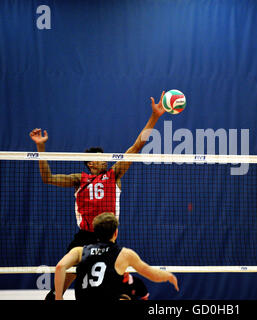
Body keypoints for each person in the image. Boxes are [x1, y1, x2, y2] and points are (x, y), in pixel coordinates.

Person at [29, 91, 166, 299]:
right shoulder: (79, 179)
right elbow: (47, 178)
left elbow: (138, 145)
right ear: (90, 163)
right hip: (84, 236)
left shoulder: (114, 174)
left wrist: (155, 117)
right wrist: (41, 147)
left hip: (107, 235)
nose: (105, 160)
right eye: (100, 158)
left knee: (115, 279)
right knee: (63, 283)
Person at [54, 212, 179, 300]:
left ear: (95, 232)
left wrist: (59, 297)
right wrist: (169, 276)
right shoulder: (125, 254)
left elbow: (60, 267)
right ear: (116, 232)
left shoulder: (79, 251)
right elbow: (152, 273)